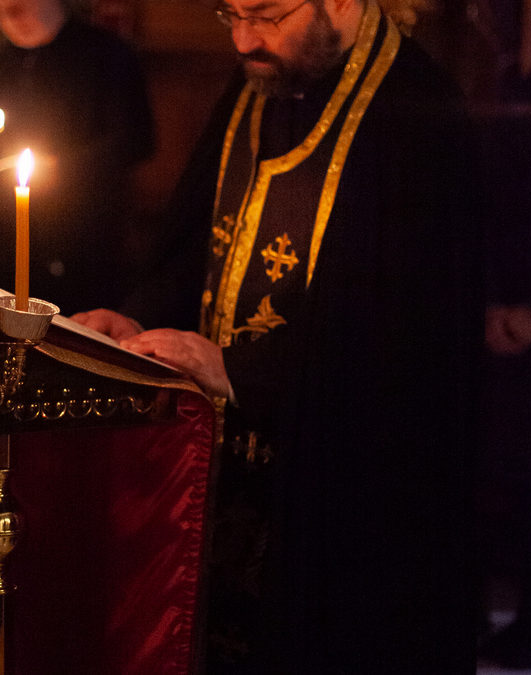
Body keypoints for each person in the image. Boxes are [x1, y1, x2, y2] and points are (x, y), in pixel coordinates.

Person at [73, 0, 483, 670]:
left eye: (264, 14)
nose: (242, 39)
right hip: (226, 467)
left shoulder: (417, 116)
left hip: (342, 504)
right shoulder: (258, 86)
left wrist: (240, 372)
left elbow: (405, 350)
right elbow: (189, 244)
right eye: (229, 13)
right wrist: (140, 320)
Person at [0, 0, 155, 314]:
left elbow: (136, 140)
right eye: (1, 11)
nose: (9, 16)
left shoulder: (107, 56)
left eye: (19, 7)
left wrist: (62, 168)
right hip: (5, 248)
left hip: (83, 246)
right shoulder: (1, 67)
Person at [477, 0, 531, 667]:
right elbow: (486, 215)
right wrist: (489, 301)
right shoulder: (514, 106)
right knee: (502, 472)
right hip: (500, 325)